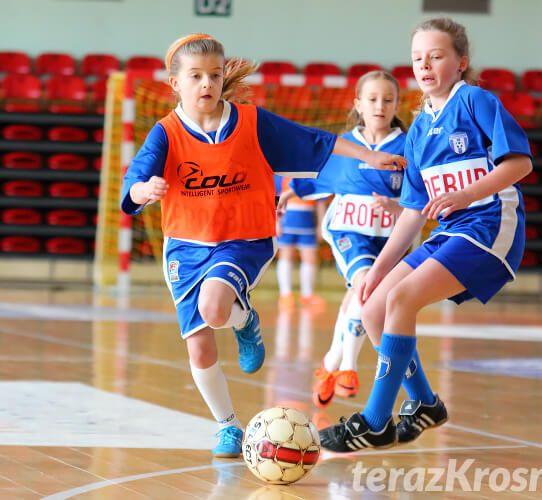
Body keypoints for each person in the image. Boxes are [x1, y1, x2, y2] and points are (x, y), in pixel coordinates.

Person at [120, 33, 406, 458]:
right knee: (199, 344)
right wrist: (144, 190)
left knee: (214, 307)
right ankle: (228, 425)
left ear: (222, 79)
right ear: (175, 83)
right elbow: (133, 182)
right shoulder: (166, 133)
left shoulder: (252, 122)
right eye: (195, 76)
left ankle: (244, 319)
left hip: (243, 238)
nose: (207, 83)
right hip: (184, 245)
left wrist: (368, 156)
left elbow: (316, 142)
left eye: (214, 75)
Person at [319, 18, 533, 452]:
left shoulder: (475, 101)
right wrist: (376, 271)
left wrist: (465, 193)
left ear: (460, 63)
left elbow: (520, 164)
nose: (425, 65)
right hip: (452, 230)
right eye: (418, 58)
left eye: (436, 56)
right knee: (374, 306)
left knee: (402, 300)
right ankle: (425, 404)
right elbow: (413, 213)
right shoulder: (418, 129)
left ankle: (375, 423)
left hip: (490, 223)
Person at [277, 71, 406, 409]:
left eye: (388, 99)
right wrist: (290, 193)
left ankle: (329, 365)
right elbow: (321, 178)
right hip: (348, 230)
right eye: (372, 99)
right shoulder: (346, 144)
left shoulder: (407, 147)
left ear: (397, 104)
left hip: (389, 236)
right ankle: (348, 368)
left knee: (360, 297)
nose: (380, 106)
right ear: (358, 104)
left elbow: (418, 194)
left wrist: (396, 204)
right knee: (366, 286)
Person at [274, 175, 327, 312]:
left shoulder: (313, 174)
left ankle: (307, 295)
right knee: (286, 255)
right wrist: (276, 222)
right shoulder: (281, 175)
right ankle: (285, 295)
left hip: (307, 221)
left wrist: (321, 224)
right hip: (287, 221)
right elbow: (274, 199)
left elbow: (320, 201)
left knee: (310, 258)